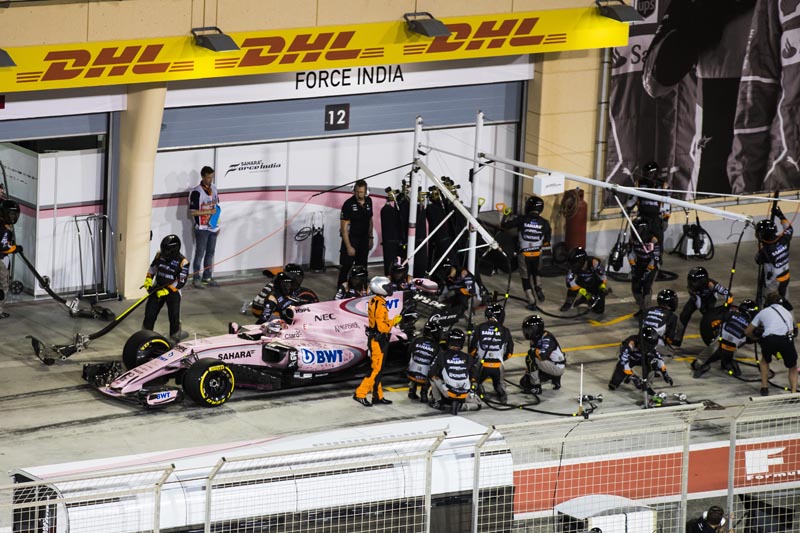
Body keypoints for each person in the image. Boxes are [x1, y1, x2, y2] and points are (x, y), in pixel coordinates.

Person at [353, 276, 399, 407]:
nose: (390, 288)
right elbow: (382, 327)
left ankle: (377, 396)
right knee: (375, 370)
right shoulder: (380, 305)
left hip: (376, 339)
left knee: (378, 370)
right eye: (387, 286)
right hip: (378, 340)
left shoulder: (375, 301)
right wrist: (394, 321)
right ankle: (360, 393)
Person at [501, 195, 551, 310]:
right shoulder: (545, 222)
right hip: (537, 253)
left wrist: (505, 216)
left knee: (525, 277)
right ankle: (538, 287)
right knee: (537, 272)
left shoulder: (522, 219)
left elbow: (505, 226)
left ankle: (532, 301)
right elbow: (547, 241)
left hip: (524, 254)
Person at [746, 292, 798, 396]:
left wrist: (754, 338)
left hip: (770, 339)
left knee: (765, 361)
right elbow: (791, 331)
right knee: (793, 366)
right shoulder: (787, 312)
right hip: (786, 340)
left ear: (767, 303)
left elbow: (747, 331)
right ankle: (793, 392)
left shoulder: (763, 312)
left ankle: (764, 387)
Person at [693, 299, 758, 379]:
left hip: (719, 343)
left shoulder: (731, 314)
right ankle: (728, 363)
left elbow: (718, 322)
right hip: (731, 349)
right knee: (735, 367)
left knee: (713, 346)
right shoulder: (751, 325)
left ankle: (702, 363)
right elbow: (749, 339)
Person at [143, 234, 190, 344]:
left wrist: (167, 290)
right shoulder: (159, 255)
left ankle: (174, 339)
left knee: (173, 317)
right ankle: (145, 337)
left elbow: (181, 282)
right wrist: (148, 280)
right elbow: (152, 268)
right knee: (149, 314)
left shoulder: (183, 262)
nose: (164, 253)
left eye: (166, 251)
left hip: (173, 292)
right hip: (158, 288)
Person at [674, 266, 731, 347]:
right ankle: (677, 339)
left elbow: (727, 294)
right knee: (684, 314)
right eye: (690, 281)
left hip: (710, 299)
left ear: (702, 281)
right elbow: (698, 303)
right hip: (697, 299)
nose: (691, 284)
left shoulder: (712, 284)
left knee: (709, 320)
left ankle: (714, 337)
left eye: (694, 281)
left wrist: (726, 306)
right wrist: (703, 310)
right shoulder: (691, 288)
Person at [469, 304, 514, 404]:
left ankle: (476, 387)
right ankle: (501, 391)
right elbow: (510, 353)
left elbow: (471, 351)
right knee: (499, 383)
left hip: (482, 365)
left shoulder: (478, 328)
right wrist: (500, 358)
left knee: (474, 381)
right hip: (497, 366)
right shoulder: (505, 330)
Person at [428, 328, 481, 413]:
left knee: (433, 377)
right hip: (464, 394)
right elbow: (475, 375)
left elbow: (431, 373)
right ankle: (461, 406)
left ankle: (437, 401)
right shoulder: (467, 357)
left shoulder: (441, 355)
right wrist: (473, 385)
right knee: (478, 404)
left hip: (448, 393)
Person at [608, 326, 673, 393]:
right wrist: (632, 376)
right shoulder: (630, 344)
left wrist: (665, 373)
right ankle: (626, 377)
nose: (649, 348)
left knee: (654, 363)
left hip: (641, 358)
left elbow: (659, 358)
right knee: (613, 385)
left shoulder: (651, 346)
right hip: (629, 359)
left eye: (651, 346)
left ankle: (647, 385)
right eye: (647, 345)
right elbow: (623, 362)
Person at [188, 166, 221, 289]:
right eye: (208, 177)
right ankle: (196, 279)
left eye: (212, 177)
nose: (210, 180)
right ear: (202, 177)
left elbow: (216, 208)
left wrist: (217, 225)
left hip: (212, 227)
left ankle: (207, 277)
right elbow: (193, 212)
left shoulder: (214, 188)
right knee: (200, 254)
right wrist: (208, 212)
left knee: (210, 253)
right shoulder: (196, 192)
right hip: (201, 228)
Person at [338, 179, 374, 287]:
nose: (359, 194)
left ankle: (360, 288)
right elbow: (344, 228)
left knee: (362, 266)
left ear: (365, 192)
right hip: (351, 239)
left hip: (364, 239)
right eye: (357, 191)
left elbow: (370, 220)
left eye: (361, 192)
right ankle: (341, 289)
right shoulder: (348, 204)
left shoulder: (369, 201)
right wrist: (349, 246)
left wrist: (370, 238)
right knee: (347, 266)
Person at [755, 204, 793, 301]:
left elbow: (758, 260)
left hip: (773, 283)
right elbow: (789, 229)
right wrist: (780, 215)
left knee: (771, 302)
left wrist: (762, 247)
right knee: (784, 301)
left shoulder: (765, 251)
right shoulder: (783, 239)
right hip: (785, 277)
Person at [520, 315, 566, 395]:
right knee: (525, 381)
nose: (527, 333)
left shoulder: (547, 338)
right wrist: (529, 371)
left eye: (529, 330)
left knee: (530, 357)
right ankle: (554, 379)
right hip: (553, 364)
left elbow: (542, 355)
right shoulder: (536, 338)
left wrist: (533, 353)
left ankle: (536, 387)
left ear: (536, 329)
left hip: (557, 367)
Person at [628, 216, 662, 317]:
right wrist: (633, 265)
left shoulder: (653, 240)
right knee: (635, 287)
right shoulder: (632, 239)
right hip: (639, 263)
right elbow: (630, 252)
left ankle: (646, 310)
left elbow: (655, 258)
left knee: (646, 287)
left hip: (651, 264)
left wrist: (648, 271)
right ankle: (642, 307)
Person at [561, 247, 609, 314]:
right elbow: (569, 282)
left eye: (575, 263)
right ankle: (569, 302)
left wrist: (602, 287)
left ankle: (584, 299)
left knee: (599, 310)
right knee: (572, 287)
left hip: (594, 283)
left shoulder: (594, 262)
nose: (573, 266)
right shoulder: (572, 267)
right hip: (581, 282)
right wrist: (586, 294)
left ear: (582, 260)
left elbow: (602, 275)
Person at [407, 316, 442, 403]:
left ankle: (412, 390)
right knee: (432, 370)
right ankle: (424, 393)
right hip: (425, 377)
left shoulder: (416, 340)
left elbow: (409, 353)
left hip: (411, 374)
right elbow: (438, 363)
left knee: (414, 363)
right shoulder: (437, 347)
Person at [0, 199, 21, 319]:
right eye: (11, 214)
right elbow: (2, 246)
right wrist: (14, 248)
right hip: (1, 261)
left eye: (14, 214)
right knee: (3, 287)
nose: (13, 217)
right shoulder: (4, 228)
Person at [381, 187, 405, 275]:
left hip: (396, 242)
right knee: (390, 264)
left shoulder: (395, 210)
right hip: (390, 243)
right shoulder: (386, 210)